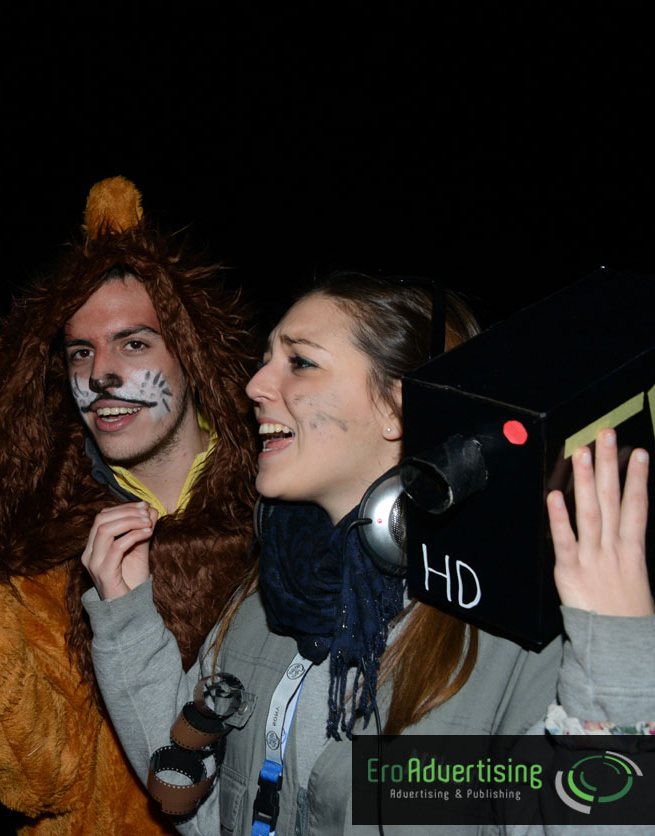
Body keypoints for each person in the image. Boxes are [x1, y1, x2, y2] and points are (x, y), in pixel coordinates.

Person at [82, 273, 655, 835]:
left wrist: (617, 663)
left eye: (299, 362)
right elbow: (198, 805)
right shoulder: (263, 602)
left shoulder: (509, 641)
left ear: (398, 409)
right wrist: (129, 615)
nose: (256, 384)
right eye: (266, 359)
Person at [0, 177, 261, 834]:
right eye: (81, 353)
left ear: (190, 354)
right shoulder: (43, 536)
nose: (101, 375)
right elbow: (40, 778)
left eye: (134, 343)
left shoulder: (283, 511)